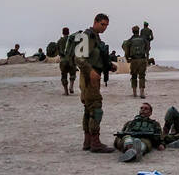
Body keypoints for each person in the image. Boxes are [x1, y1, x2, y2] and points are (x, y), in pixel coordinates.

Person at [76, 14, 115, 152]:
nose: (104, 28)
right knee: (96, 107)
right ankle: (95, 142)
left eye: (106, 25)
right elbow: (78, 58)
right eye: (102, 24)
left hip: (94, 76)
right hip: (88, 78)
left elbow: (96, 56)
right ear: (95, 22)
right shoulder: (86, 36)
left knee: (89, 108)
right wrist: (91, 71)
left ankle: (87, 141)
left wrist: (110, 66)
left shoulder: (95, 37)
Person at [122, 25, 149, 98]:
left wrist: (127, 58)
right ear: (138, 30)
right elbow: (147, 48)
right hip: (142, 59)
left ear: (132, 31)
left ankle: (134, 93)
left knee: (133, 76)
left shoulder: (130, 40)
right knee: (142, 76)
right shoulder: (143, 39)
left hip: (133, 60)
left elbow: (127, 50)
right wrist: (147, 58)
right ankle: (142, 93)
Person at [55, 27, 77, 95]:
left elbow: (57, 51)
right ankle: (71, 86)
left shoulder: (59, 41)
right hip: (71, 60)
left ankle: (66, 91)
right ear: (68, 32)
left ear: (62, 32)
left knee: (64, 76)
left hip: (63, 60)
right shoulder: (72, 40)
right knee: (72, 74)